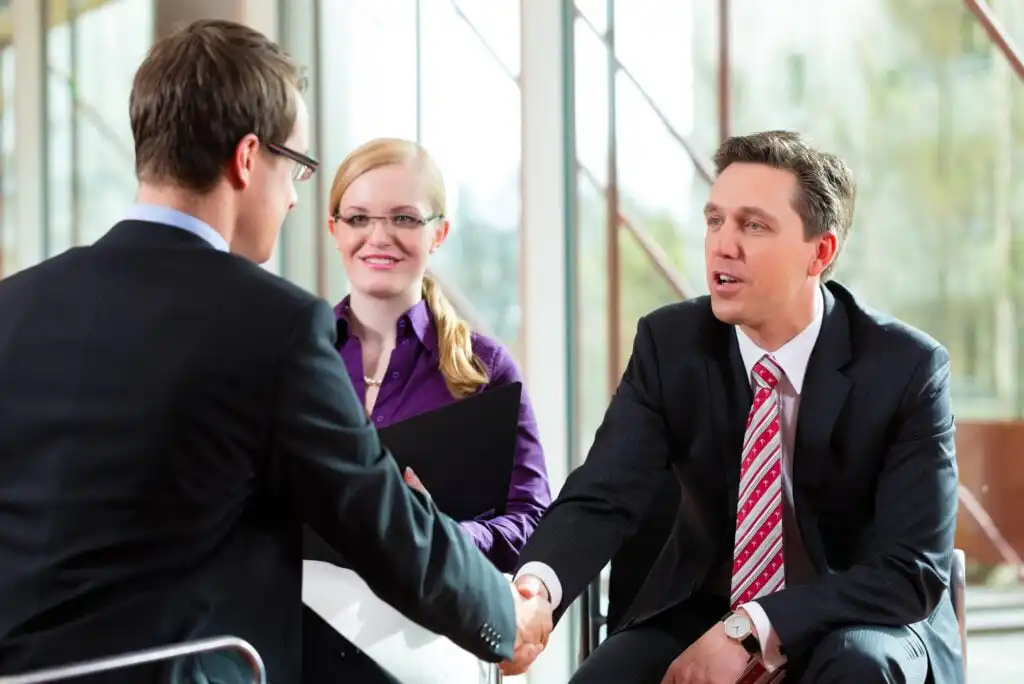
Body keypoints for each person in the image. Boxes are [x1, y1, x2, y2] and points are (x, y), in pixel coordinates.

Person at [0, 19, 549, 684]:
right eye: (298, 169)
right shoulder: (274, 325)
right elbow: (378, 520)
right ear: (249, 158)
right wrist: (502, 617)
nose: (293, 196)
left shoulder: (14, 308)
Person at [505, 131, 962, 684]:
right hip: (706, 605)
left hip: (861, 616)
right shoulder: (670, 345)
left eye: (754, 225)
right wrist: (535, 588)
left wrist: (753, 628)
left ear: (821, 252)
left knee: (858, 669)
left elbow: (910, 569)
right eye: (715, 220)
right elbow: (603, 494)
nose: (723, 244)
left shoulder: (905, 367)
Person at [326, 137, 551, 573]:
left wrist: (446, 535)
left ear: (439, 233)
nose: (378, 237)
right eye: (358, 218)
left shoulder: (485, 370)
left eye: (404, 218)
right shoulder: (296, 359)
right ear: (334, 229)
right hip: (303, 626)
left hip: (433, 631)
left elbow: (533, 520)